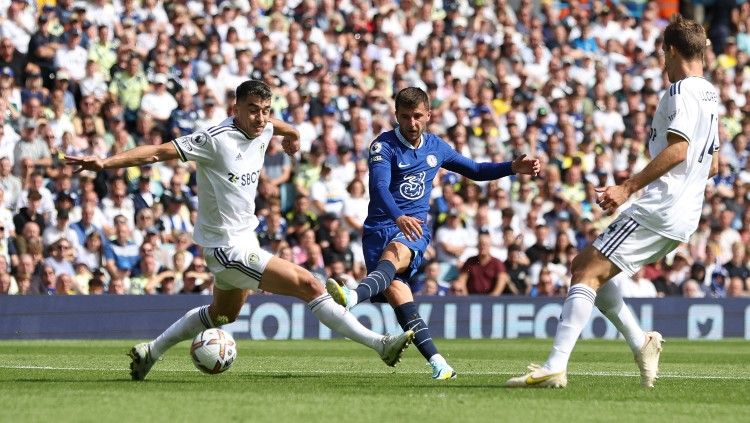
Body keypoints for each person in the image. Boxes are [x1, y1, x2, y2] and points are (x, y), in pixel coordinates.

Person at [66, 80, 414, 381]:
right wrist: (105, 163)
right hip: (226, 247)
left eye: (265, 110)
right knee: (311, 284)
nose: (260, 118)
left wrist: (291, 133)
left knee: (223, 314)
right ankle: (380, 344)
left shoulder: (262, 129)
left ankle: (150, 351)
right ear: (235, 108)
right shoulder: (214, 139)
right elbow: (156, 153)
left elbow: (278, 125)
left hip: (243, 240)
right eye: (252, 110)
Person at [506, 16, 720, 389]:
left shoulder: (682, 91)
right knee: (588, 266)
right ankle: (641, 343)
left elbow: (680, 149)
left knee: (585, 272)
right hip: (683, 213)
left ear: (670, 50)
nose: (662, 63)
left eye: (662, 54)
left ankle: (555, 367)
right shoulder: (710, 95)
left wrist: (627, 187)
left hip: (660, 207)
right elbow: (713, 164)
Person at [326, 87, 540, 379]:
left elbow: (475, 170)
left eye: (417, 116)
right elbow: (378, 187)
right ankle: (440, 364)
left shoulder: (436, 147)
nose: (412, 123)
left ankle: (353, 296)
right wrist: (397, 216)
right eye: (405, 117)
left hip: (412, 228)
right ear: (396, 116)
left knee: (394, 255)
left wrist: (512, 167)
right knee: (402, 301)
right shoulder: (383, 146)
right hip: (380, 228)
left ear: (428, 115)